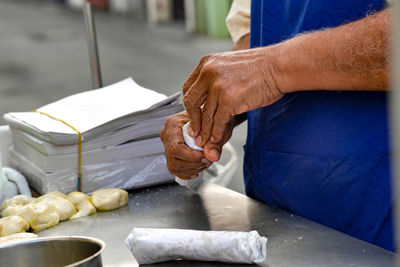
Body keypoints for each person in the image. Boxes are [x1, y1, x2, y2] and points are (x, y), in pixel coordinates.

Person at [160, 0, 394, 251]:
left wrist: (270, 69)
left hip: (377, 214)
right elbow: (258, 34)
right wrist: (215, 110)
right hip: (272, 214)